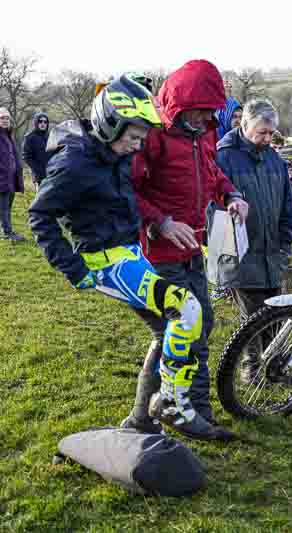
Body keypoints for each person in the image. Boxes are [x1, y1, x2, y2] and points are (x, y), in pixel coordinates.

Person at [27, 76, 215, 439]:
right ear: (109, 123)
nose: (137, 146)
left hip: (130, 253)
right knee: (186, 308)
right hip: (104, 261)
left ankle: (141, 421)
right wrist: (73, 268)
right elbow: (39, 215)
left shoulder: (112, 154)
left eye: (142, 139)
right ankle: (170, 403)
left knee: (167, 331)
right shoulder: (75, 164)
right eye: (133, 138)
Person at [132, 59, 249, 440]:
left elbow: (211, 172)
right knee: (174, 332)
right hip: (157, 254)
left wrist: (230, 194)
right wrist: (160, 222)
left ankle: (195, 410)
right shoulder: (152, 136)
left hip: (191, 249)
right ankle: (151, 414)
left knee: (202, 325)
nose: (205, 119)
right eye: (199, 112)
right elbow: (126, 189)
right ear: (181, 105)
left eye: (209, 113)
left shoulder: (204, 135)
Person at [215, 99, 292, 382]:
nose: (267, 138)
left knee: (276, 310)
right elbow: (211, 209)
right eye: (261, 132)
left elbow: (288, 204)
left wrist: (285, 242)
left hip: (273, 250)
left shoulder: (274, 159)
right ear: (244, 124)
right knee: (252, 316)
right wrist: (225, 257)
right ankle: (252, 368)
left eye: (271, 133)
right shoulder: (223, 158)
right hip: (240, 252)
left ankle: (275, 366)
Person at [0, 107, 25, 241]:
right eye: (2, 118)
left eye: (7, 118)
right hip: (2, 179)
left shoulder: (8, 135)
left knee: (8, 207)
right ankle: (7, 233)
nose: (5, 120)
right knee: (3, 208)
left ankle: (6, 230)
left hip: (12, 179)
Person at [22, 112, 50, 191]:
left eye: (45, 122)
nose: (43, 123)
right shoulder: (29, 137)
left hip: (51, 174)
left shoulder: (50, 136)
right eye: (40, 121)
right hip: (39, 176)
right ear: (36, 122)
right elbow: (26, 157)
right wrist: (38, 170)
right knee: (41, 200)